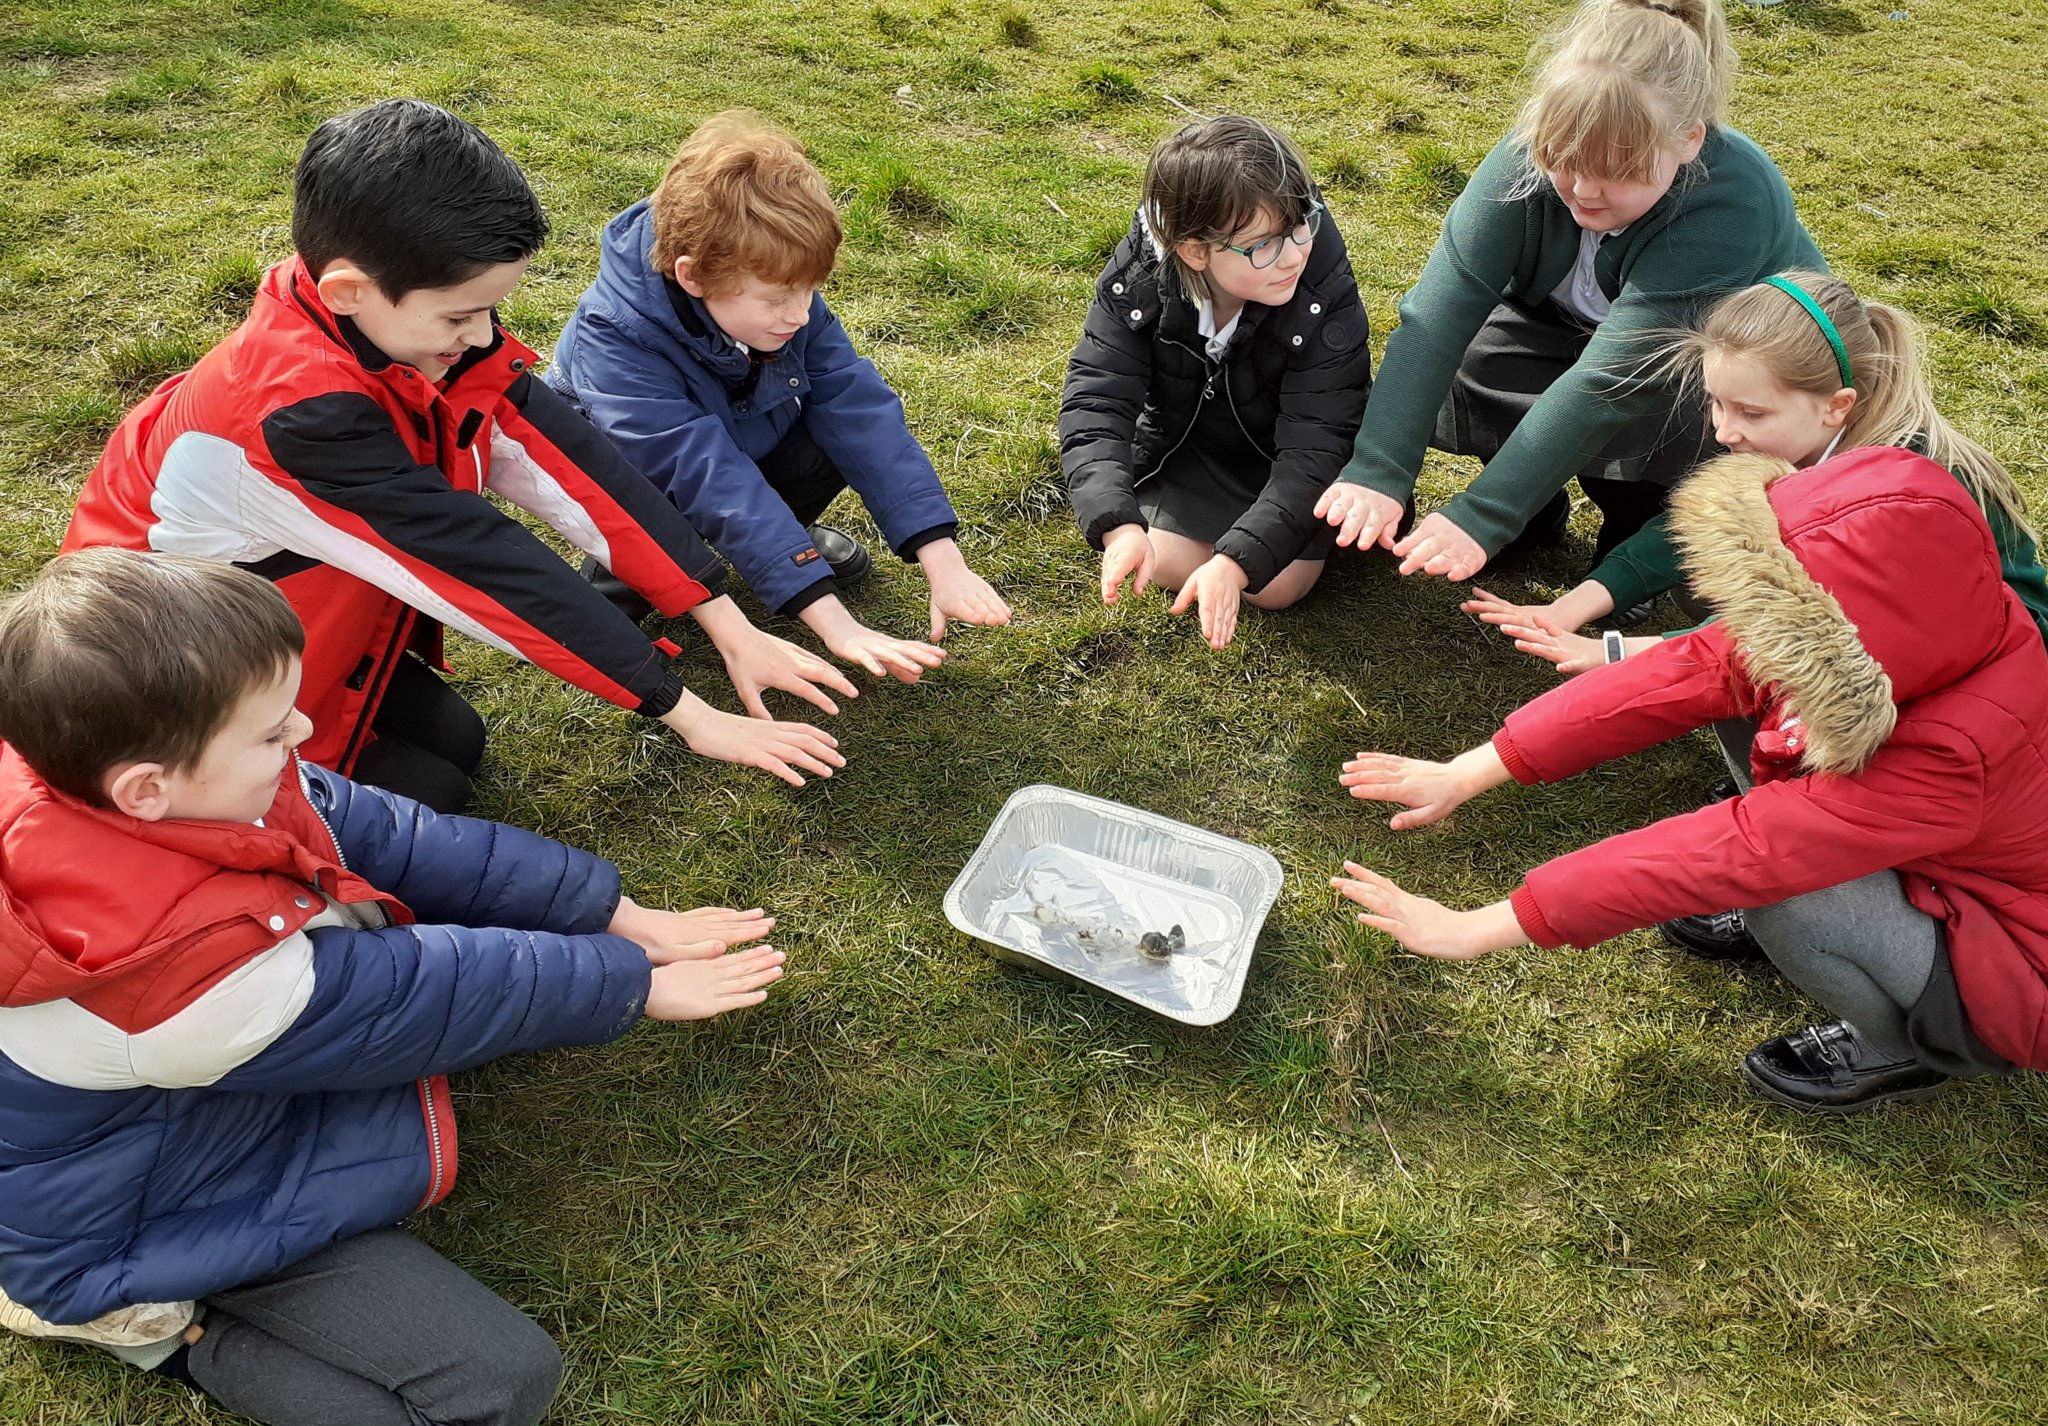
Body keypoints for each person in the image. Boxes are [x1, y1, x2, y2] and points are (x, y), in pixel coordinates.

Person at [0, 549, 789, 1425]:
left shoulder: (151, 779)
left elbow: (390, 832)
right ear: (145, 790)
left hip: (204, 1107)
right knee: (498, 1381)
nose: (303, 731)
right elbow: (418, 993)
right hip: (152, 1214)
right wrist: (631, 982)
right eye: (270, 732)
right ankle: (160, 1333)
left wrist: (612, 910)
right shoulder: (175, 990)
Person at [66, 99, 854, 813]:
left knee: (454, 748)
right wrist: (690, 714)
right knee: (433, 792)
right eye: (461, 315)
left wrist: (722, 618)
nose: (482, 338)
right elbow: (481, 567)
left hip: (284, 629)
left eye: (491, 309)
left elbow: (573, 465)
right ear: (349, 290)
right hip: (160, 694)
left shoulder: (395, 331)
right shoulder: (299, 421)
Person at [1330, 446, 2048, 1113]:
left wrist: (1478, 928)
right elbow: (1683, 675)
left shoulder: (1957, 751)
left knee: (1790, 900)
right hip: (1946, 853)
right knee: (1749, 699)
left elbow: (1739, 850)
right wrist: (1471, 770)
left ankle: (1905, 1048)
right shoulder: (1938, 631)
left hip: (2014, 965)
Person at [1314, 0, 1824, 585]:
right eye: (1564, 160)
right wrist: (1378, 469)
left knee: (1676, 405)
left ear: (1688, 140)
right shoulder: (1526, 158)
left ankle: (1632, 546)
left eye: (1619, 171)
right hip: (1573, 331)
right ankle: (1535, 516)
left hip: (1712, 366)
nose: (1582, 190)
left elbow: (1612, 381)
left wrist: (1482, 515)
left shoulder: (1730, 198)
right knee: (1489, 353)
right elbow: (1436, 317)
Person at [548, 111, 1011, 678]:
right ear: (693, 277)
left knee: (832, 435)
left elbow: (857, 409)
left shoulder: (781, 288)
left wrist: (942, 558)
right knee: (654, 519)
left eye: (812, 291)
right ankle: (619, 587)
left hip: (734, 435)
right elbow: (704, 476)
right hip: (639, 471)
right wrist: (835, 624)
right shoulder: (614, 339)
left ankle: (785, 543)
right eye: (776, 300)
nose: (800, 314)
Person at [1464, 271, 2048, 672]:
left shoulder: (1889, 496)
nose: (1724, 431)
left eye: (1751, 412)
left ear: (1836, 405)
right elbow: (1690, 528)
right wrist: (1568, 610)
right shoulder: (1803, 435)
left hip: (1993, 663)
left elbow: (1794, 638)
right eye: (1717, 403)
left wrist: (1611, 653)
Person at [1061, 114, 1373, 650]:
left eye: (1302, 226)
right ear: (1194, 250)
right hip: (1187, 445)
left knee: (1275, 588)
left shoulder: (1321, 282)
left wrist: (1234, 562)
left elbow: (1320, 442)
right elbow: (1098, 395)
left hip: (1281, 460)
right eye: (1264, 246)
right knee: (1158, 557)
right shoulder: (1140, 275)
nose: (1295, 254)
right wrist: (1117, 524)